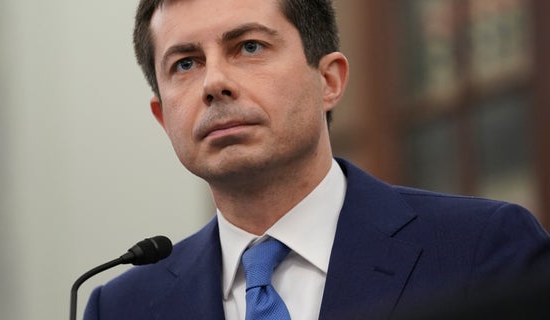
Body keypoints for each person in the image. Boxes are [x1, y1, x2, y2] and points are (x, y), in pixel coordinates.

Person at [84, 0, 550, 319]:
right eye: (186, 63)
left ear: (328, 80)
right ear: (163, 118)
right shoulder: (123, 307)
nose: (214, 83)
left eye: (248, 47)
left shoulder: (481, 249)